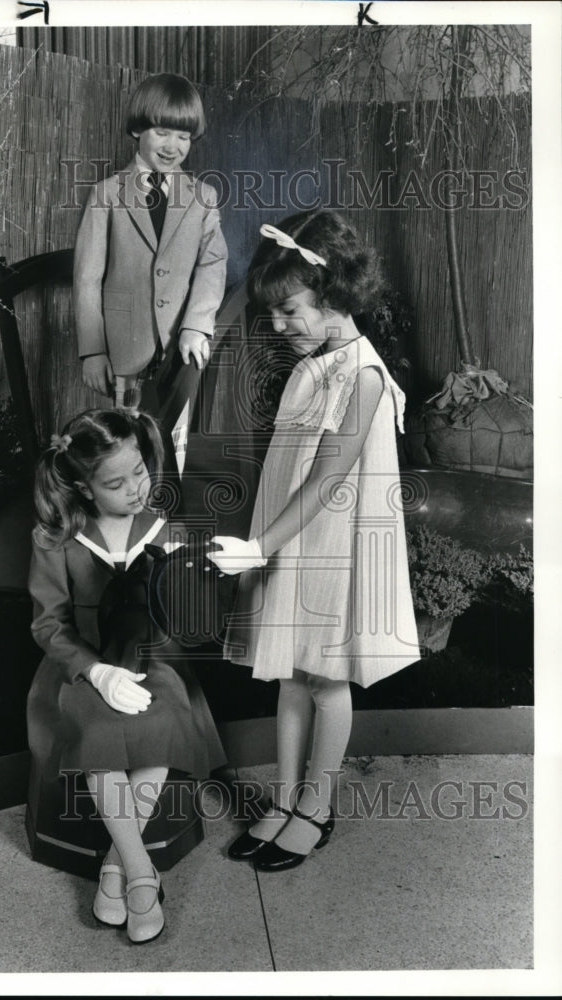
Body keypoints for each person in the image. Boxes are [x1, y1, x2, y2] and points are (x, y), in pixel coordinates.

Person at [208, 212, 420, 871]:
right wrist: (270, 543)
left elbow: (330, 479)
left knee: (326, 677)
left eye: (289, 310)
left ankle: (316, 807)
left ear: (331, 296)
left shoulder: (361, 377)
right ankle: (282, 799)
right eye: (272, 314)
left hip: (334, 546)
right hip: (295, 541)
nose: (278, 327)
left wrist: (260, 545)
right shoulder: (314, 365)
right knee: (290, 675)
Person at [26, 407, 225, 942]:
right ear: (84, 488)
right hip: (83, 667)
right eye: (116, 483)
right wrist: (95, 672)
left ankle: (119, 867)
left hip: (154, 657)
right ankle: (142, 874)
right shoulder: (54, 540)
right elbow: (48, 625)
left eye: (139, 471)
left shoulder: (165, 527)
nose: (137, 488)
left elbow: (187, 617)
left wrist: (207, 573)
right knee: (97, 732)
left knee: (159, 721)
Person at [73, 72, 228, 415]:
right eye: (161, 132)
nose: (173, 146)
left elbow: (212, 265)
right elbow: (87, 279)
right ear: (136, 130)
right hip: (124, 353)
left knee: (174, 446)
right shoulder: (106, 194)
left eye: (184, 136)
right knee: (129, 438)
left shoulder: (204, 197)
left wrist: (196, 326)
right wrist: (93, 351)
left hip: (181, 348)